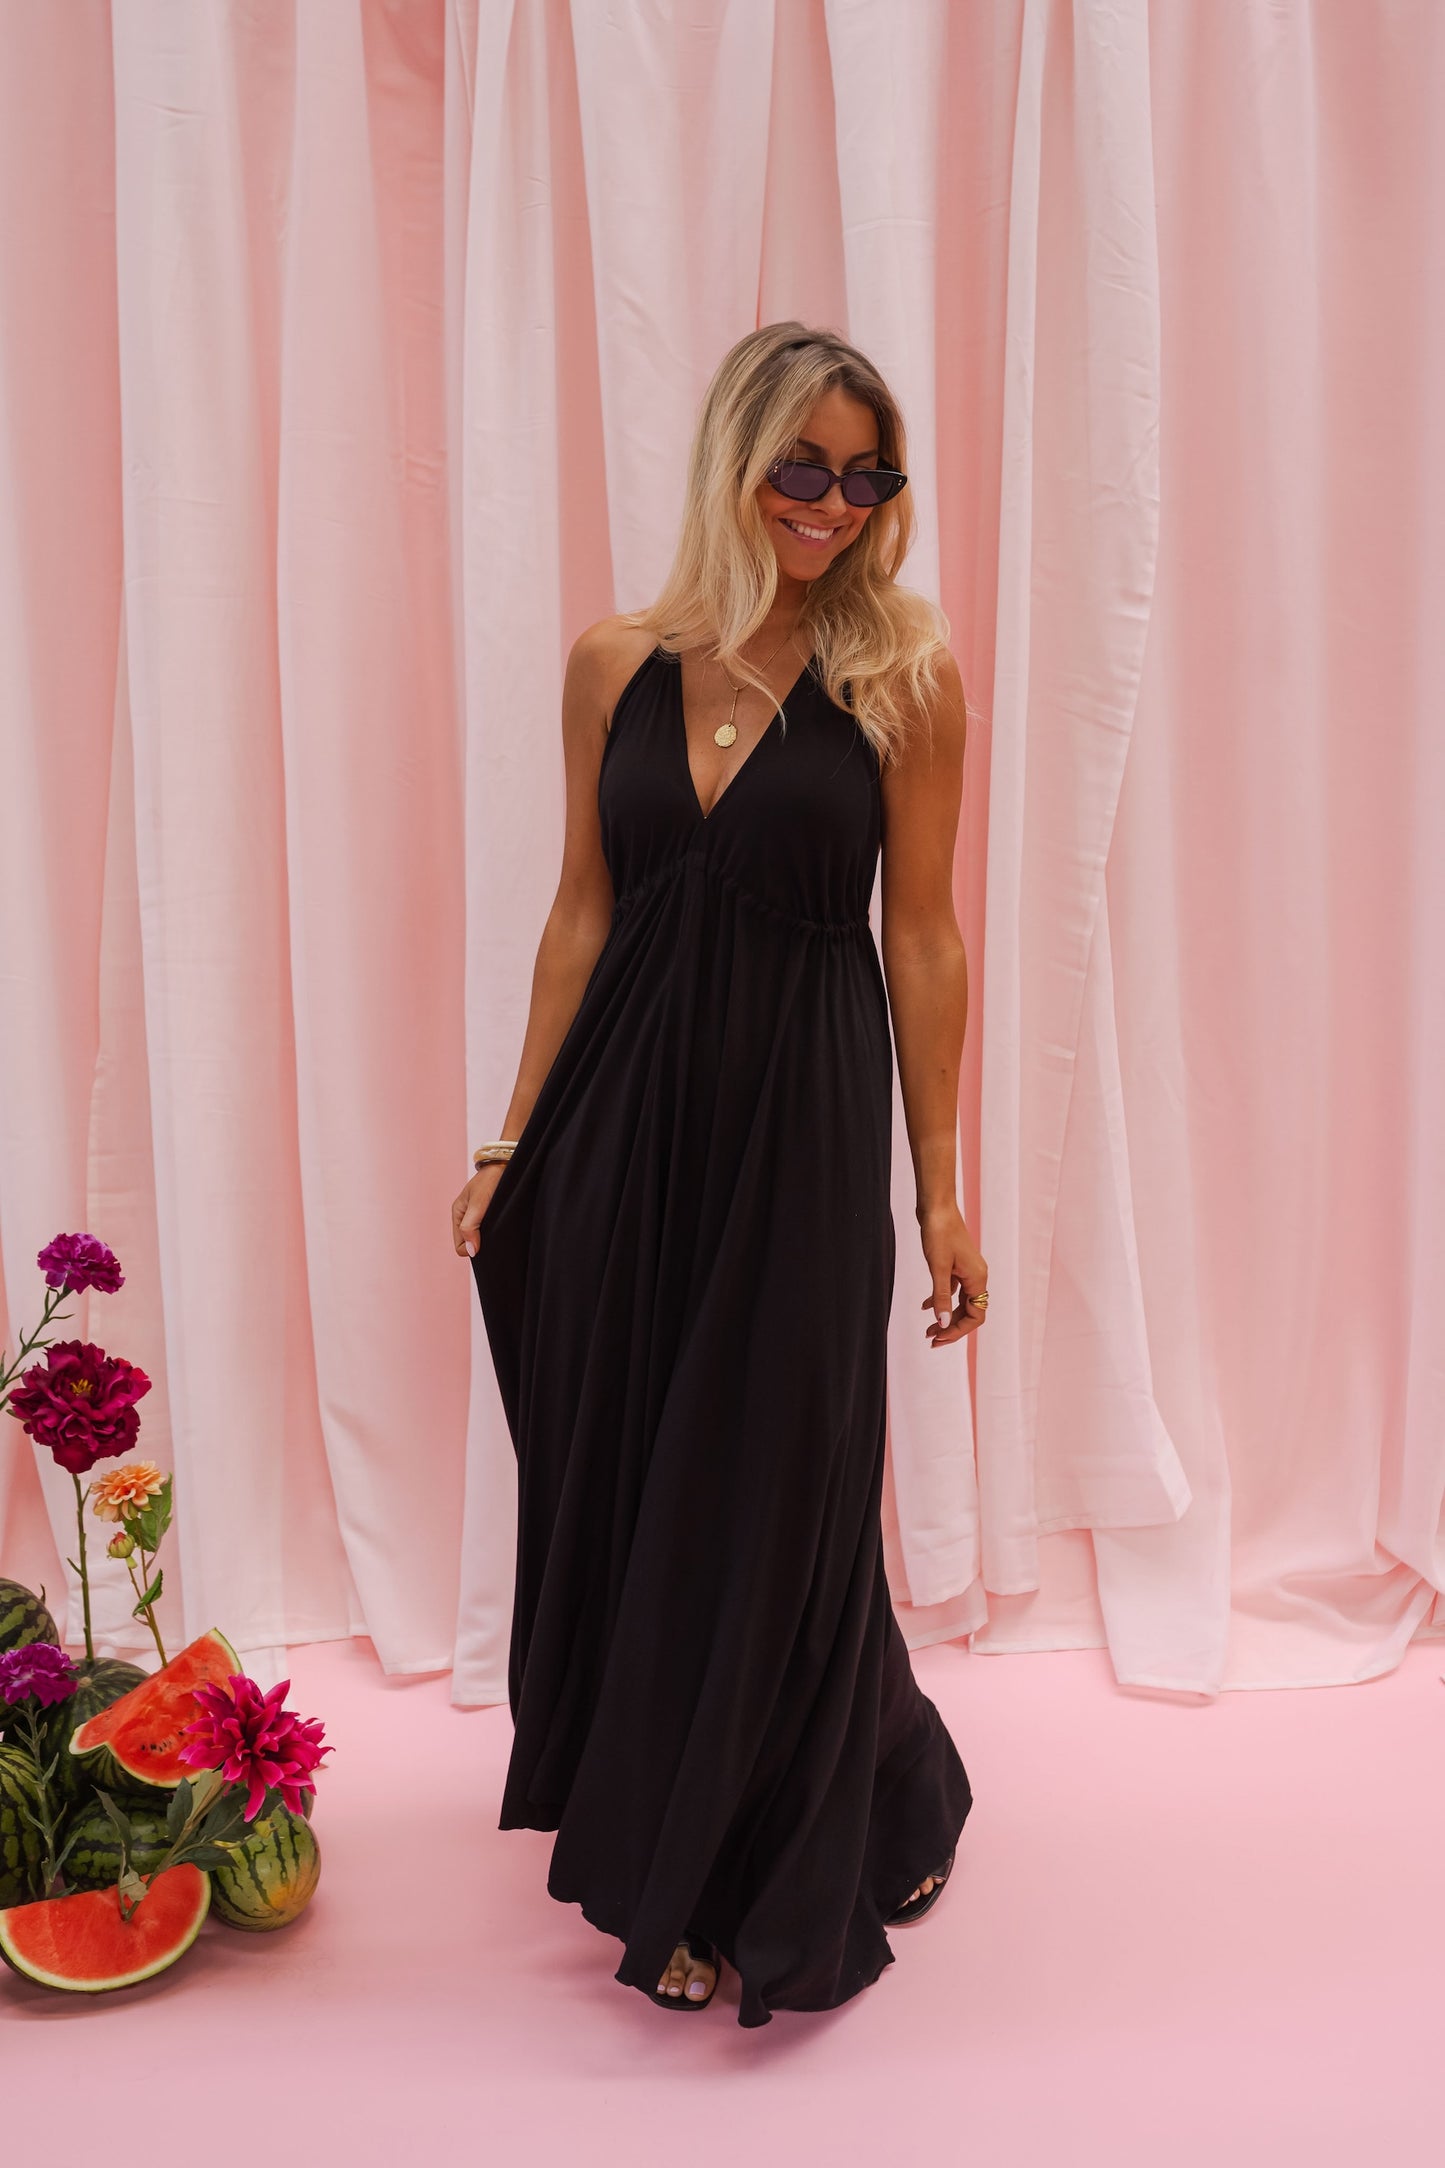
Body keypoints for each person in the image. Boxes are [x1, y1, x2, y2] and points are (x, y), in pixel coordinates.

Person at [452, 321, 984, 2028]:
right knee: (637, 1478)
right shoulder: (614, 662)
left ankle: (820, 1821)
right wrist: (513, 1139)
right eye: (800, 466)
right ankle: (686, 1855)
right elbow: (581, 909)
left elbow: (923, 937)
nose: (833, 502)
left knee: (781, 1486)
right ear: (733, 461)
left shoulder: (902, 674)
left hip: (802, 1130)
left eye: (865, 474)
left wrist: (941, 1187)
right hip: (621, 1125)